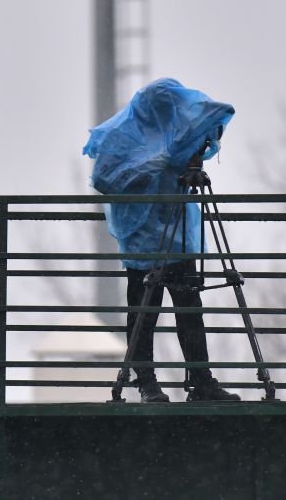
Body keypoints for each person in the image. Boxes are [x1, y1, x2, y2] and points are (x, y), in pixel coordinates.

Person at [83, 78, 241, 403]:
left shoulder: (177, 134)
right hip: (143, 240)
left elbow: (220, 113)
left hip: (176, 235)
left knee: (188, 310)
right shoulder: (122, 137)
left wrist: (199, 143)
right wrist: (152, 166)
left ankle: (200, 381)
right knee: (145, 313)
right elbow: (103, 178)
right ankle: (147, 383)